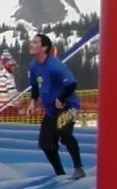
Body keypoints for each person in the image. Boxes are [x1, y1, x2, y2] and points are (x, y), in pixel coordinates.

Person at [26, 34, 85, 180]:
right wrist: (33, 101)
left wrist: (61, 98)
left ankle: (78, 168)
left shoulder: (54, 66)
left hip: (68, 106)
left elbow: (71, 84)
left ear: (44, 47)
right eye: (31, 42)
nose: (31, 44)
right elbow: (34, 86)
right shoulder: (34, 66)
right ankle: (60, 173)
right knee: (45, 143)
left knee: (63, 132)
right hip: (52, 110)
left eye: (35, 42)